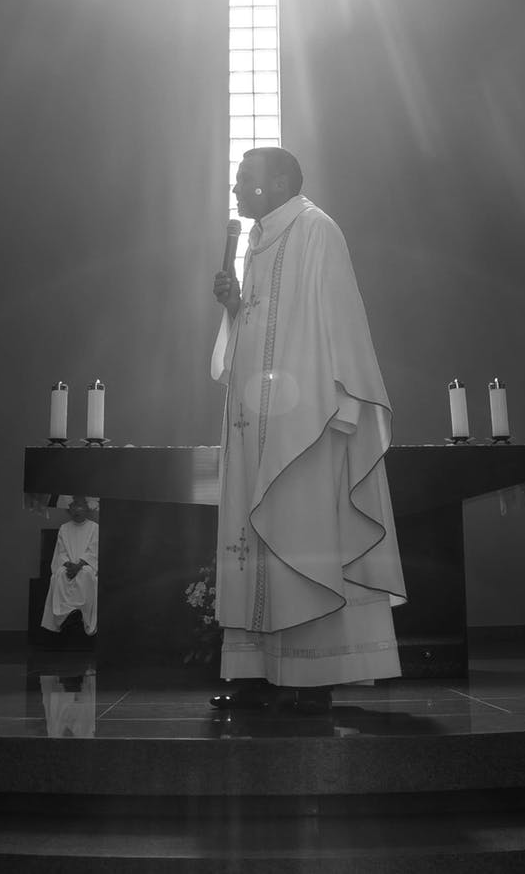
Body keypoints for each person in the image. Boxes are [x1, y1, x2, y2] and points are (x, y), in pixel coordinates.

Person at [207, 147, 405, 715]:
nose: (237, 191)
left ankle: (311, 676)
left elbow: (339, 319)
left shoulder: (317, 230)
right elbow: (261, 326)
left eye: (245, 180)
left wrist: (339, 404)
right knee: (253, 539)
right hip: (254, 421)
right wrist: (235, 305)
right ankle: (256, 671)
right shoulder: (257, 242)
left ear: (278, 183)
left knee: (301, 534)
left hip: (306, 423)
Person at [40, 495, 98, 640]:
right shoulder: (64, 528)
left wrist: (79, 565)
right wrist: (68, 564)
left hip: (84, 566)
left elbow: (93, 551)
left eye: (80, 506)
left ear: (86, 508)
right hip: (68, 566)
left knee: (86, 575)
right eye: (74, 506)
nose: (77, 509)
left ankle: (82, 615)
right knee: (59, 576)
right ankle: (63, 617)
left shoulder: (94, 528)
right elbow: (61, 552)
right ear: (70, 509)